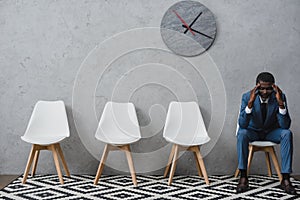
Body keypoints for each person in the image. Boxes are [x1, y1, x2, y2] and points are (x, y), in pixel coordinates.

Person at [236, 72, 296, 195]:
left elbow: (285, 125)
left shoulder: (279, 96)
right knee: (242, 133)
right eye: (262, 88)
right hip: (253, 132)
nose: (264, 92)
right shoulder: (247, 97)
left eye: (268, 88)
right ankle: (243, 177)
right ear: (256, 87)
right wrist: (250, 104)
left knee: (287, 133)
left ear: (273, 87)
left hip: (270, 132)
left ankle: (285, 179)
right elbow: (242, 124)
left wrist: (280, 103)